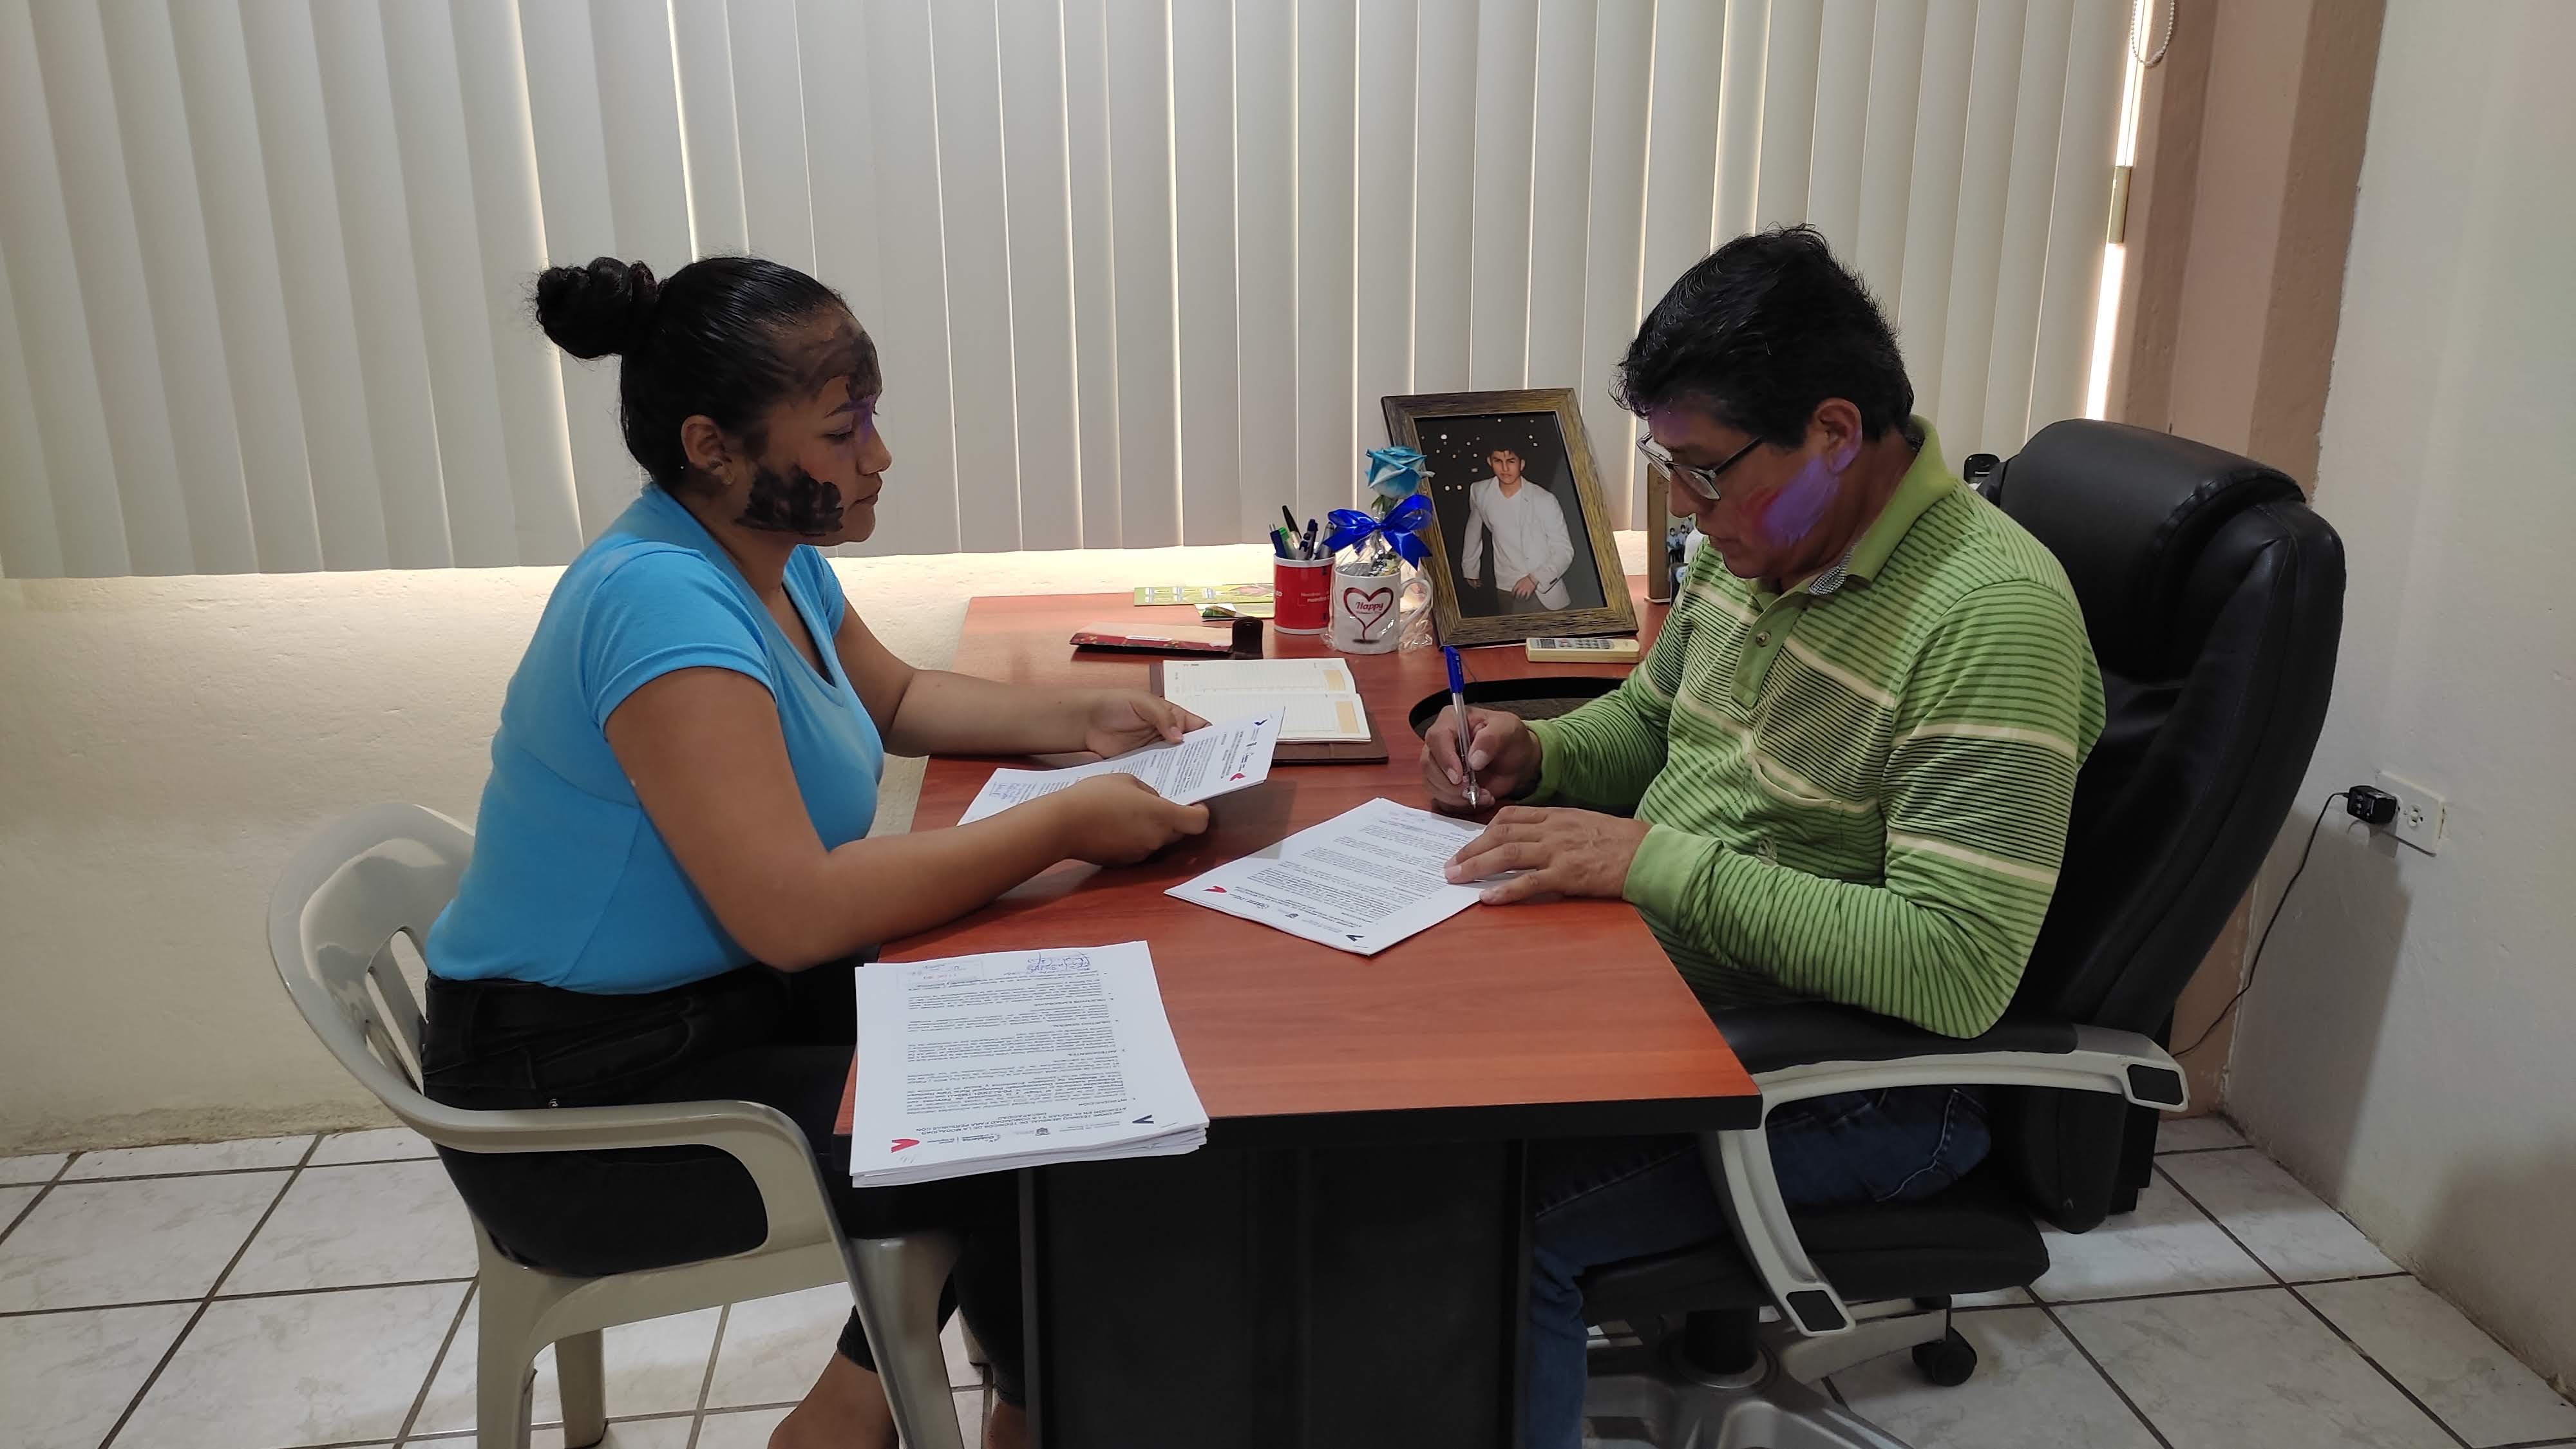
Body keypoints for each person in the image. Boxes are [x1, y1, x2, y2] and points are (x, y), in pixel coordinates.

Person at [423, 255, 1211, 1449]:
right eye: (845, 429)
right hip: (582, 1100)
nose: (878, 456)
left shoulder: (767, 557)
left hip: (701, 1010)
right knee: (1029, 1115)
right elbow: (792, 914)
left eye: (871, 417)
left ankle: (936, 1404)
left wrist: (1087, 719)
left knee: (1049, 1033)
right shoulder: (660, 603)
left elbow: (895, 698)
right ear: (712, 446)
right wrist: (1058, 823)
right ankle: (874, 1413)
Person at [1419, 227, 2105, 1448]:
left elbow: (1955, 966)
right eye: (1670, 469)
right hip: (1675, 1004)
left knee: (1494, 1223)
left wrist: (1646, 862)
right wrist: (1545, 754)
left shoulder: (1992, 618)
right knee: (1407, 1123)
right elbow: (1655, 721)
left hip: (1859, 1082)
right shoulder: (1761, 546)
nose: (1688, 509)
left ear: (1833, 433)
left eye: (1703, 472)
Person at [1459, 447, 1577, 611]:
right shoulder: (1480, 491)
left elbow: (1564, 551)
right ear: (1490, 462)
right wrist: (1470, 568)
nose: (1505, 468)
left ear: (1521, 464)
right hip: (1504, 587)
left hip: (1542, 591)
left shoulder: (1544, 499)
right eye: (1498, 461)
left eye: (1511, 461)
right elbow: (1473, 529)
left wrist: (1534, 578)